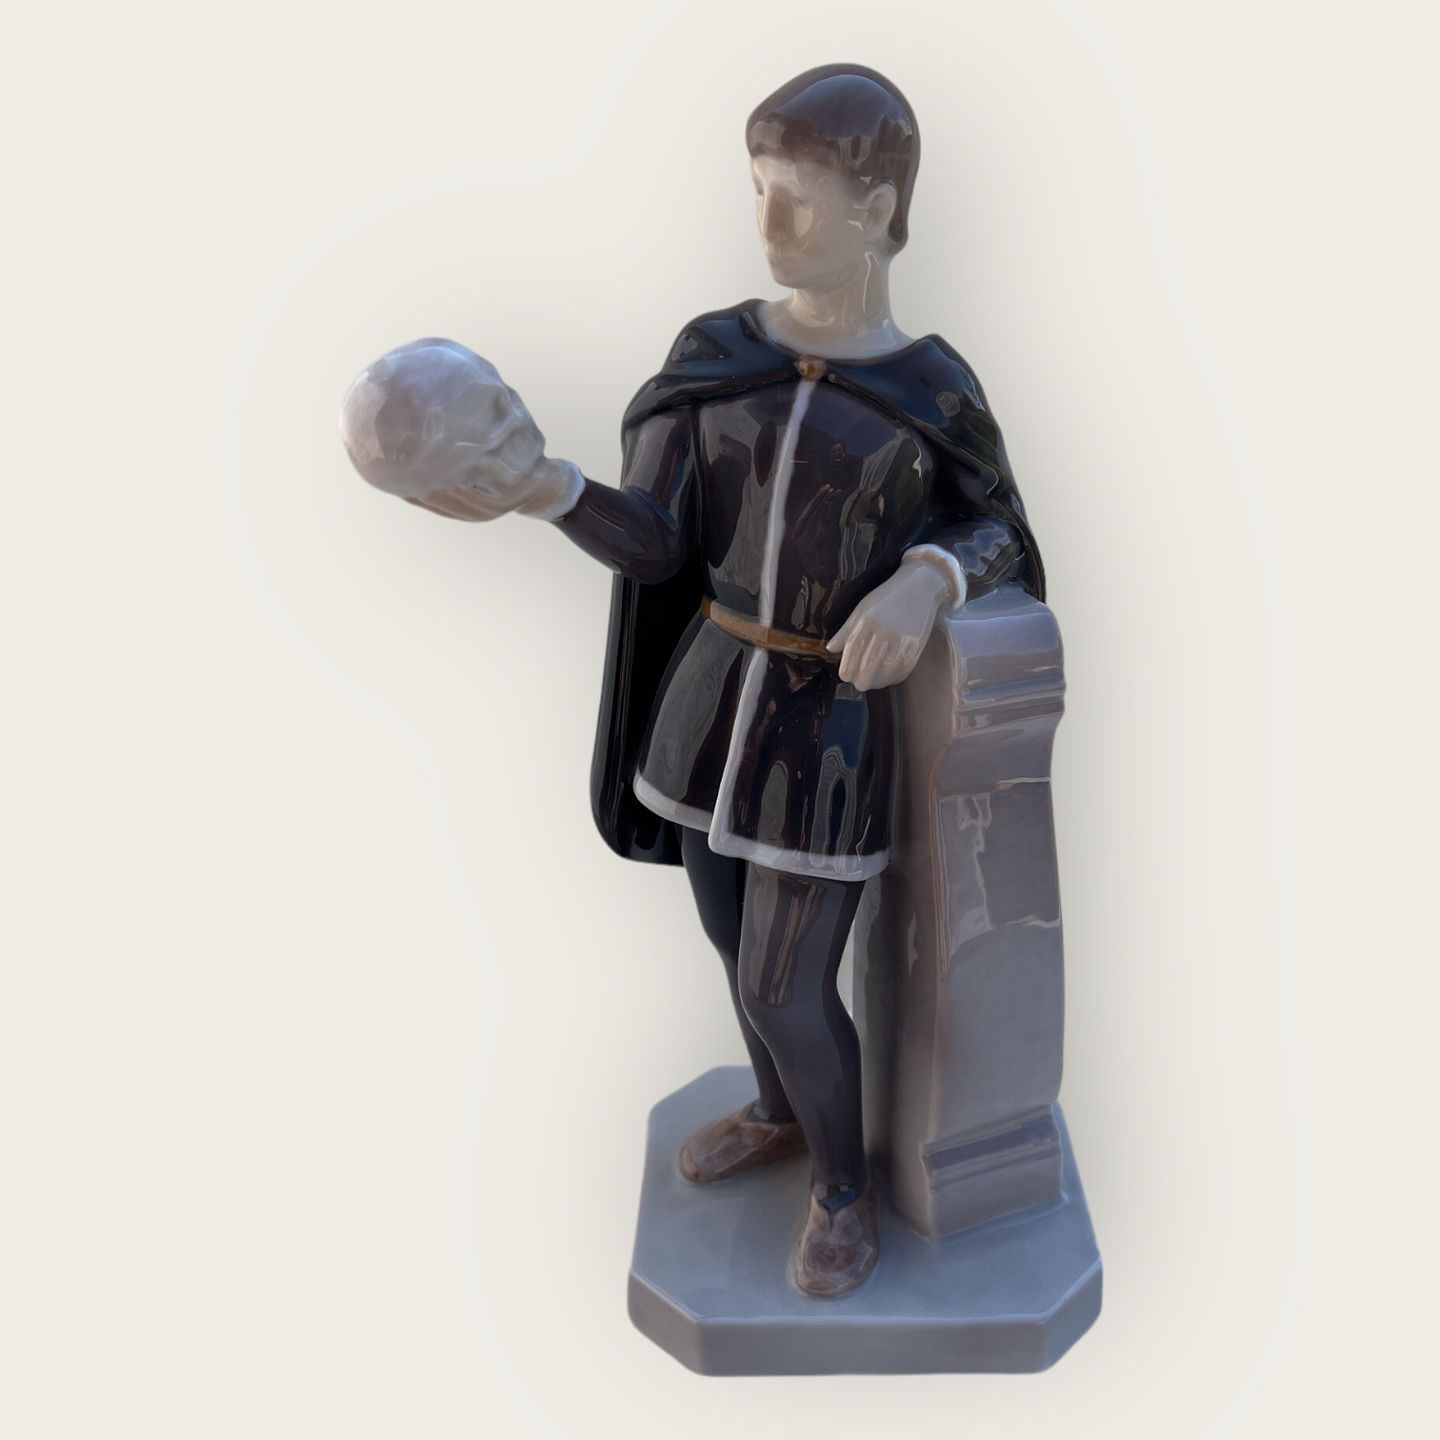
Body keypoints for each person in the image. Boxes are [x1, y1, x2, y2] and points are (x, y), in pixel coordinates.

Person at [403, 64, 1043, 1297]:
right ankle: (779, 1110)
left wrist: (925, 580)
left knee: (782, 980)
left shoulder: (931, 387)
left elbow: (1000, 527)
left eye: (796, 195)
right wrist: (552, 493)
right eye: (756, 189)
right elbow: (659, 545)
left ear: (878, 206)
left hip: (825, 733)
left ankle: (844, 1189)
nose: (767, 222)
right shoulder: (715, 353)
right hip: (703, 709)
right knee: (723, 938)